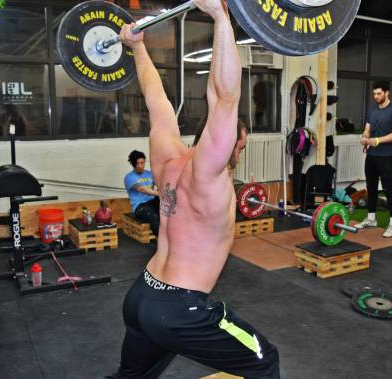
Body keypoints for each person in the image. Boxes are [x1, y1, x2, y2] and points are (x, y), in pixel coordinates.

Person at [109, 1, 280, 378]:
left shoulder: (169, 160)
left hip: (141, 295)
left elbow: (157, 103)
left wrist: (137, 48)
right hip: (176, 309)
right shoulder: (209, 171)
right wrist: (221, 17)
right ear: (227, 140)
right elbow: (224, 97)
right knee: (265, 360)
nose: (240, 150)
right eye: (240, 144)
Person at [357, 81, 392, 238]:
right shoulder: (372, 109)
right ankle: (371, 219)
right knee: (371, 186)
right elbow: (367, 129)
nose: (376, 96)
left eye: (379, 93)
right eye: (374, 94)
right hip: (371, 155)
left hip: (386, 155)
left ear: (387, 93)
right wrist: (364, 138)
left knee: (388, 188)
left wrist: (377, 141)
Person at [124, 150, 160, 236]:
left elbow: (160, 183)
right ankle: (162, 244)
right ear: (133, 164)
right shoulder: (129, 177)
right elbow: (142, 189)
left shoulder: (149, 174)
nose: (140, 166)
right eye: (138, 163)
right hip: (140, 206)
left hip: (152, 202)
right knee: (154, 217)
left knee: (168, 211)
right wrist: (160, 193)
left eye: (142, 163)